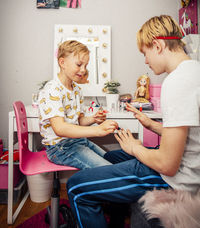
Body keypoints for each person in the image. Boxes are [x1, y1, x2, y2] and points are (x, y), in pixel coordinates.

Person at [67, 15, 200, 228]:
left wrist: (135, 148)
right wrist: (150, 125)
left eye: (145, 53)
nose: (146, 61)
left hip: (175, 180)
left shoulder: (177, 82)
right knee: (111, 155)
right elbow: (191, 136)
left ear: (157, 45)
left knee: (75, 186)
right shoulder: (193, 71)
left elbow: (167, 164)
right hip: (182, 166)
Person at [38, 40, 118, 169]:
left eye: (85, 66)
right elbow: (60, 129)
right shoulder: (52, 90)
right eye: (79, 64)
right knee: (107, 170)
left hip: (77, 141)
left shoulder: (76, 90)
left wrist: (93, 119)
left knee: (112, 163)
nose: (83, 70)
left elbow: (78, 121)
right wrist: (97, 130)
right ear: (62, 62)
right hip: (60, 148)